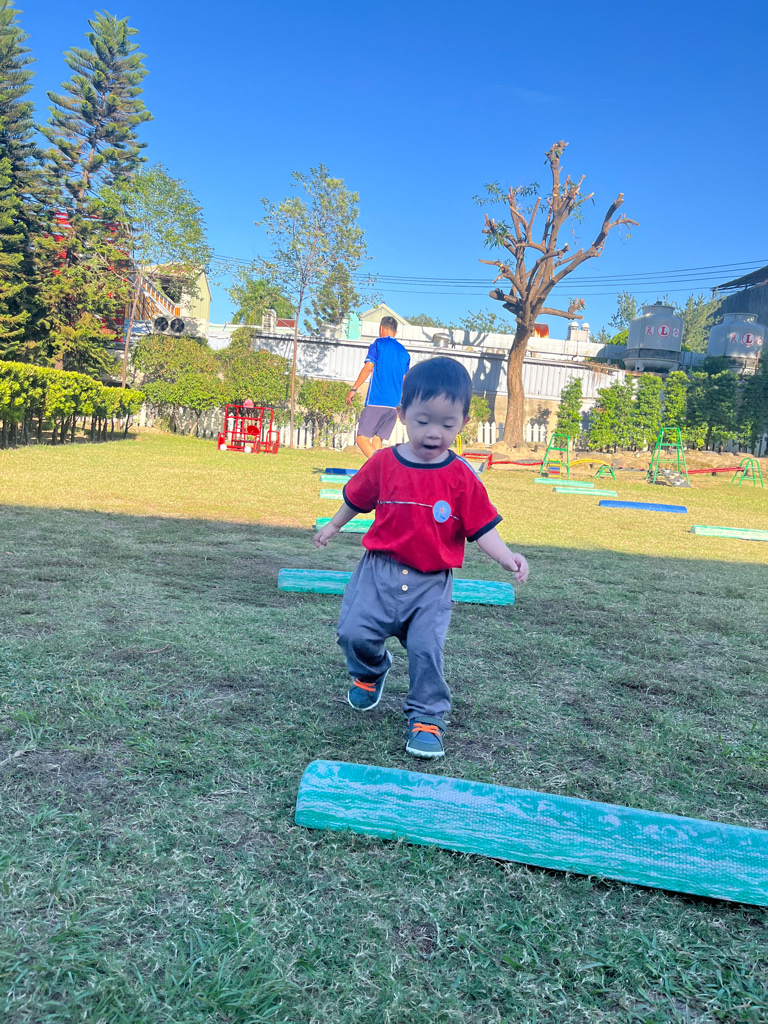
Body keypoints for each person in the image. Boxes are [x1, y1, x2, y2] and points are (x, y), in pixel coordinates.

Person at [315, 356, 529, 759]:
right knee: (353, 633)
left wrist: (505, 557)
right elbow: (356, 499)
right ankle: (370, 672)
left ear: (463, 422)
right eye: (423, 421)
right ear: (402, 415)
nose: (434, 433)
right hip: (377, 573)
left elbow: (482, 526)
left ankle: (428, 717)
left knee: (426, 650)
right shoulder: (383, 463)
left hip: (431, 583)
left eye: (447, 425)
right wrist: (333, 526)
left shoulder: (462, 477)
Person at [346, 315, 410, 458]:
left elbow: (369, 367)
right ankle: (382, 469)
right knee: (377, 440)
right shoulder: (404, 352)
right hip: (394, 405)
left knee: (362, 439)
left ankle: (381, 468)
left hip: (377, 400)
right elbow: (406, 380)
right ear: (396, 332)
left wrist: (354, 388)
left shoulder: (377, 344)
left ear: (380, 328)